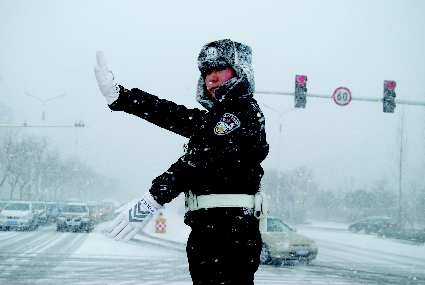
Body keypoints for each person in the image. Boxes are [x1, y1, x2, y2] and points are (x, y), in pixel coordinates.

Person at [94, 39, 269, 285]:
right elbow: (172, 114)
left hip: (229, 232)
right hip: (213, 229)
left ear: (239, 69)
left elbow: (200, 160)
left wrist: (152, 198)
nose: (211, 77)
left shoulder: (241, 113)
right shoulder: (217, 119)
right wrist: (120, 96)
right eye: (206, 71)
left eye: (219, 68)